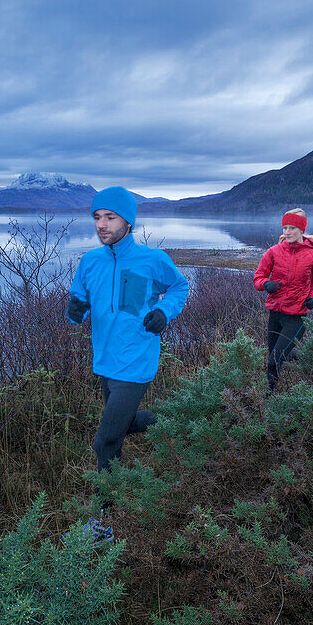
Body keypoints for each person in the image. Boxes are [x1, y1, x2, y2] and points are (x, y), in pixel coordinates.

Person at [66, 186, 189, 538]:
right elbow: (79, 301)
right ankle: (176, 419)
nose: (101, 225)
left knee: (104, 442)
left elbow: (180, 287)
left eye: (110, 217)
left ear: (128, 222)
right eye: (97, 217)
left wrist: (164, 311)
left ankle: (102, 521)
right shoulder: (90, 261)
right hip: (105, 360)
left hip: (136, 360)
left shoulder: (153, 260)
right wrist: (75, 310)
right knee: (123, 429)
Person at [253, 208, 313, 392]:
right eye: (285, 227)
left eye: (292, 228)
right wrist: (266, 284)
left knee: (273, 360)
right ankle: (296, 353)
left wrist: (312, 297)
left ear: (301, 229)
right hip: (275, 313)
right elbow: (258, 278)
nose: (287, 232)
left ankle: (268, 397)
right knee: (276, 355)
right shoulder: (274, 252)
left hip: (297, 316)